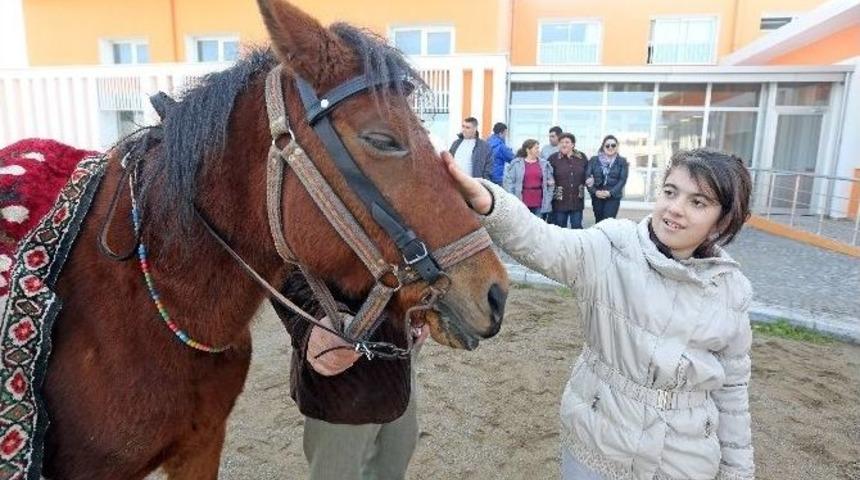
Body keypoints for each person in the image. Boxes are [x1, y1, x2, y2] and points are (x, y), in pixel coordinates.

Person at [443, 147, 755, 480]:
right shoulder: (613, 246)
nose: (675, 209)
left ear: (722, 219)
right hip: (599, 445)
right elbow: (543, 241)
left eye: (698, 202)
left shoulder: (732, 290)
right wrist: (488, 201)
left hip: (686, 459)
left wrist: (738, 472)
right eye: (670, 192)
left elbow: (732, 392)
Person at [272, 272, 430, 479]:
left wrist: (424, 306)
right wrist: (312, 316)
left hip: (398, 354)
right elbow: (275, 257)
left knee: (393, 461)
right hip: (343, 372)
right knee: (338, 470)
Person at [548, 132, 589, 229]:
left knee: (577, 227)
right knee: (560, 228)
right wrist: (549, 179)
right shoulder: (553, 158)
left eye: (567, 142)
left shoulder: (582, 157)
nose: (564, 144)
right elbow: (546, 174)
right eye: (561, 142)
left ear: (573, 144)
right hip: (560, 201)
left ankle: (578, 245)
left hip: (577, 200)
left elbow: (588, 172)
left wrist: (589, 179)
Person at [503, 139, 553, 216]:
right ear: (528, 150)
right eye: (536, 148)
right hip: (522, 200)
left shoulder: (544, 164)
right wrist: (512, 198)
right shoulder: (516, 164)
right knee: (522, 226)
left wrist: (548, 198)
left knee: (537, 226)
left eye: (538, 148)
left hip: (539, 202)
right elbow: (509, 183)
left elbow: (551, 183)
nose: (538, 150)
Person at [586, 135, 628, 223]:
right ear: (603, 146)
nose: (610, 147)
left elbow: (622, 180)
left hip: (613, 196)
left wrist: (610, 193)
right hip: (597, 195)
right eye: (607, 145)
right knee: (599, 221)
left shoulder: (622, 161)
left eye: (613, 145)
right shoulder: (594, 160)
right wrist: (595, 191)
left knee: (608, 222)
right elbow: (587, 177)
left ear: (617, 146)